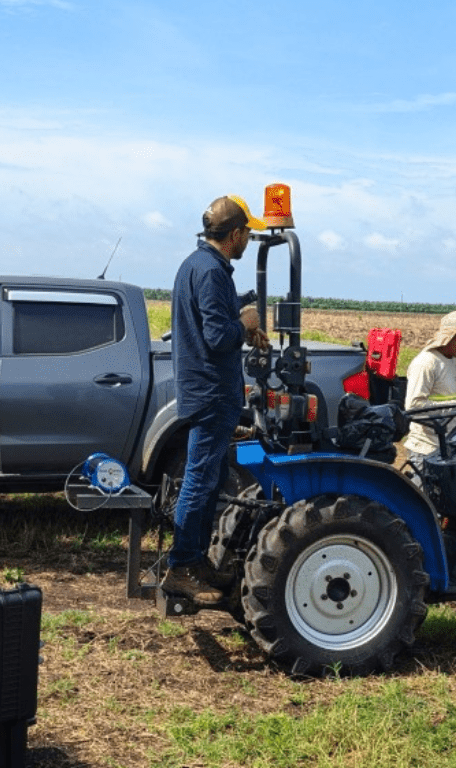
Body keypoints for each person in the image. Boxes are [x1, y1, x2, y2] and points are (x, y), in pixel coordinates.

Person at [163, 195, 268, 604]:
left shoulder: (198, 265)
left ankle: (196, 562)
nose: (248, 241)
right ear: (235, 234)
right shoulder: (210, 271)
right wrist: (244, 324)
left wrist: (242, 324)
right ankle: (181, 568)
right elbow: (218, 336)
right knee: (199, 480)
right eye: (247, 234)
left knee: (208, 479)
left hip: (205, 390)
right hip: (211, 392)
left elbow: (215, 323)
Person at [402, 310, 456, 472]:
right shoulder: (426, 363)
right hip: (426, 449)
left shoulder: (454, 361)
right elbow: (413, 407)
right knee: (423, 489)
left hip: (449, 445)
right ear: (451, 336)